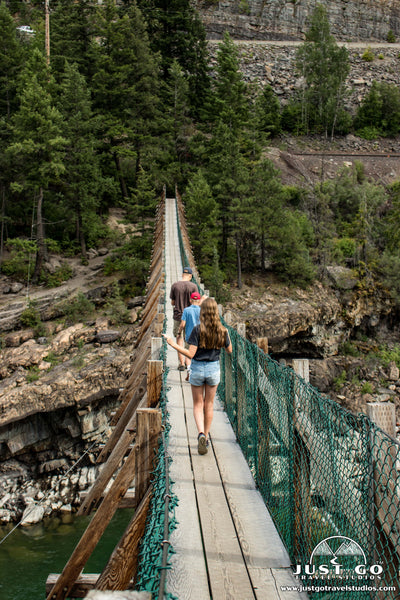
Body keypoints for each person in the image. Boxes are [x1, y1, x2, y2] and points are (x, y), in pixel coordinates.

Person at [164, 297, 232, 455]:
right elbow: (229, 351)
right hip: (214, 369)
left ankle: (201, 432)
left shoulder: (197, 329)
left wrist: (173, 344)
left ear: (203, 312)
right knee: (209, 404)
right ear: (216, 312)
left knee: (197, 404)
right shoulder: (222, 330)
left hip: (197, 369)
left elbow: (190, 354)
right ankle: (206, 436)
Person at [169, 266, 197, 371]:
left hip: (178, 316)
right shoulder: (194, 287)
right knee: (189, 340)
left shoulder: (175, 286)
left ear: (182, 274)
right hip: (190, 317)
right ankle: (188, 362)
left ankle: (181, 363)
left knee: (179, 337)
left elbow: (172, 302)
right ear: (190, 276)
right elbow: (196, 302)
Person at [178, 291, 202, 380]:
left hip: (189, 336)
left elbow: (182, 324)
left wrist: (179, 333)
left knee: (188, 354)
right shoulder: (202, 310)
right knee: (197, 354)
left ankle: (189, 369)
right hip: (201, 336)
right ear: (199, 301)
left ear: (190, 300)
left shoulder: (186, 310)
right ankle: (197, 372)